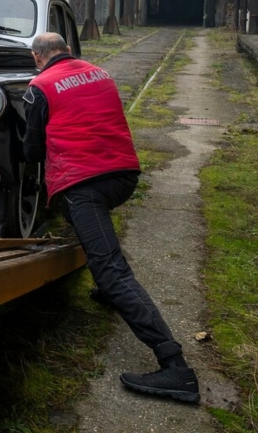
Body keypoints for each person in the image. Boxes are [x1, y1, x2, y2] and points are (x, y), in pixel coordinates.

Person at [23, 32, 199, 404]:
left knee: (112, 269)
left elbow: (33, 149)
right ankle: (108, 292)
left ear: (38, 57)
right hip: (123, 177)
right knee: (99, 238)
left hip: (82, 185)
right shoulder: (100, 73)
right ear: (67, 51)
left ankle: (176, 368)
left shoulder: (40, 86)